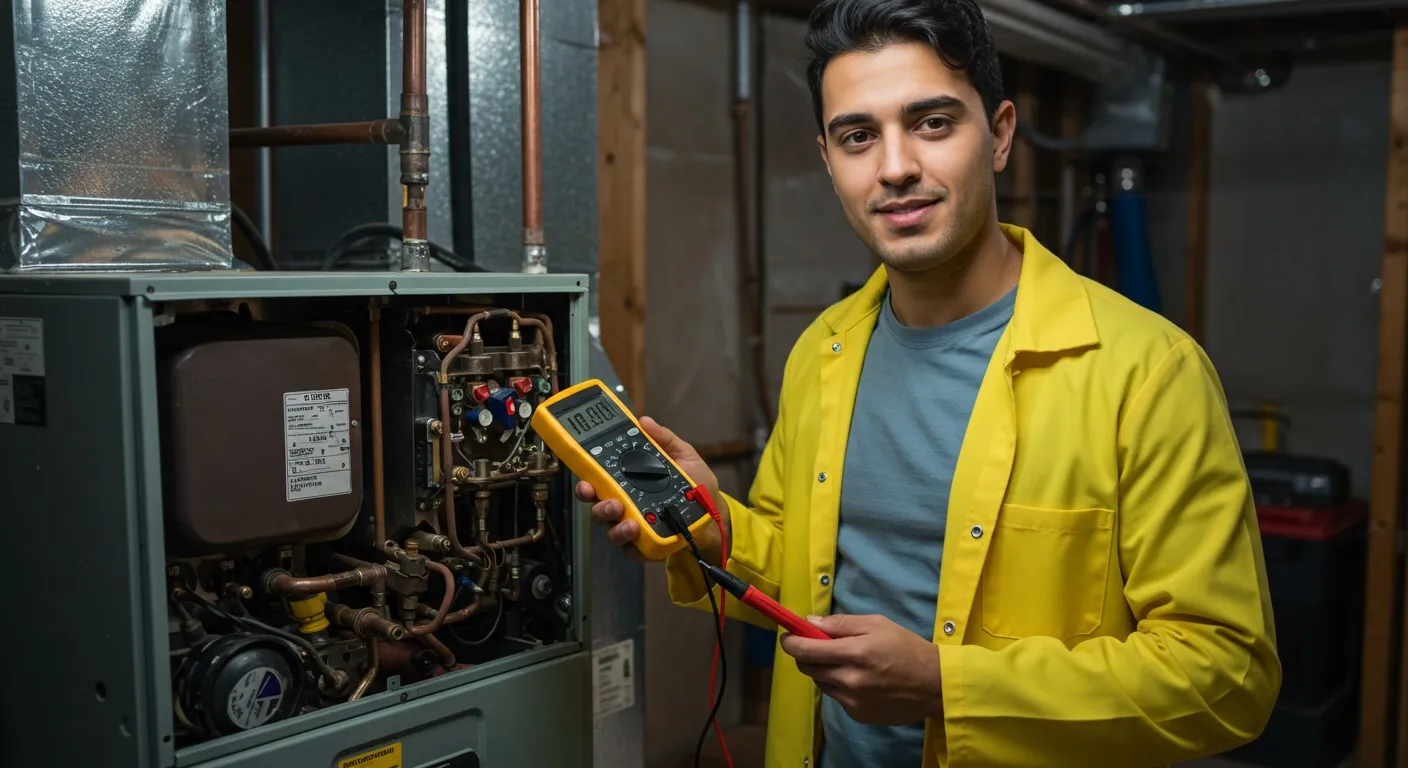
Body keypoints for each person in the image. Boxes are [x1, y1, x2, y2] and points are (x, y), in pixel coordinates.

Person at [578, 0, 1281, 765]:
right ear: (827, 159)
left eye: (933, 123)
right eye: (858, 136)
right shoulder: (826, 349)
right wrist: (712, 529)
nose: (895, 166)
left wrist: (947, 685)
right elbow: (807, 580)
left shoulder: (1146, 372)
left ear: (1001, 135)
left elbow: (1226, 675)